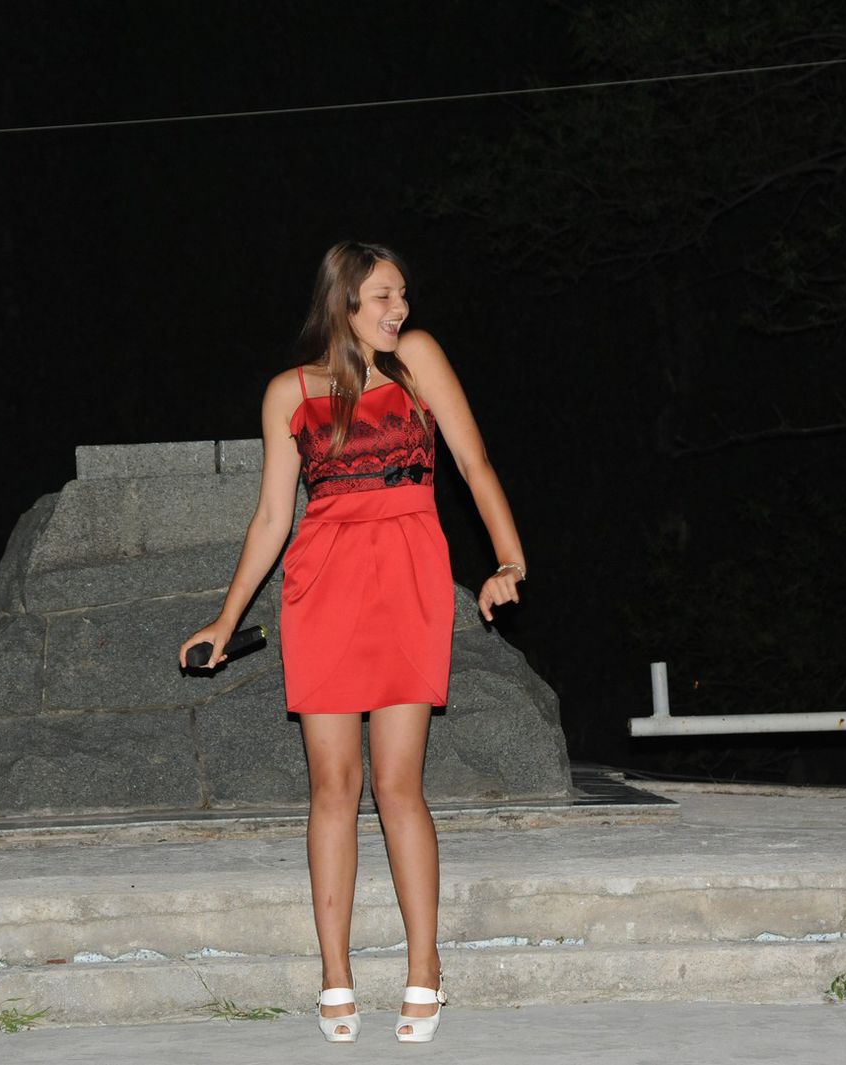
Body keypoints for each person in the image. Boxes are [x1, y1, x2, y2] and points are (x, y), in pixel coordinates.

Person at [179, 240, 526, 1044]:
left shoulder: (417, 361)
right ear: (342, 302)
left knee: (400, 784)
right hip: (324, 589)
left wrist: (509, 561)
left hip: (408, 579)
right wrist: (226, 620)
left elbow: (473, 463)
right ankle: (334, 974)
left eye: (402, 294)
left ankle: (424, 966)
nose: (399, 309)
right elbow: (274, 518)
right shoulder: (288, 392)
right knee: (333, 788)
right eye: (382, 297)